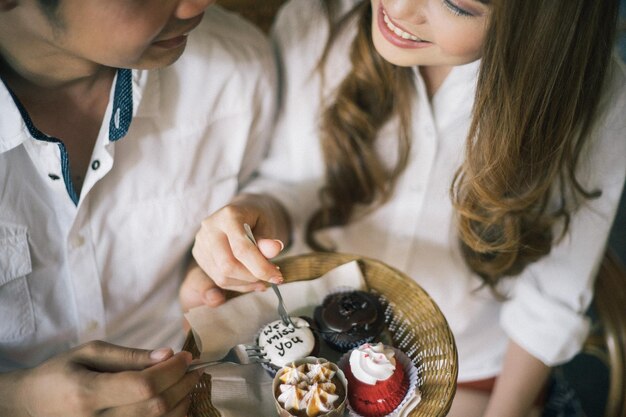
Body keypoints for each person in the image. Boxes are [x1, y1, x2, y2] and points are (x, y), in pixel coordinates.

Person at [181, 0, 626, 416]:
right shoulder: (316, 23)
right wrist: (252, 215)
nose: (398, 8)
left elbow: (553, 296)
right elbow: (289, 185)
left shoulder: (593, 97)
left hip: (475, 369)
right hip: (318, 339)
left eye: (455, 4)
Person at [0, 0, 280, 415]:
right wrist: (17, 401)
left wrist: (225, 256)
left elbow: (273, 187)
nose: (200, 3)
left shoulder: (236, 69)